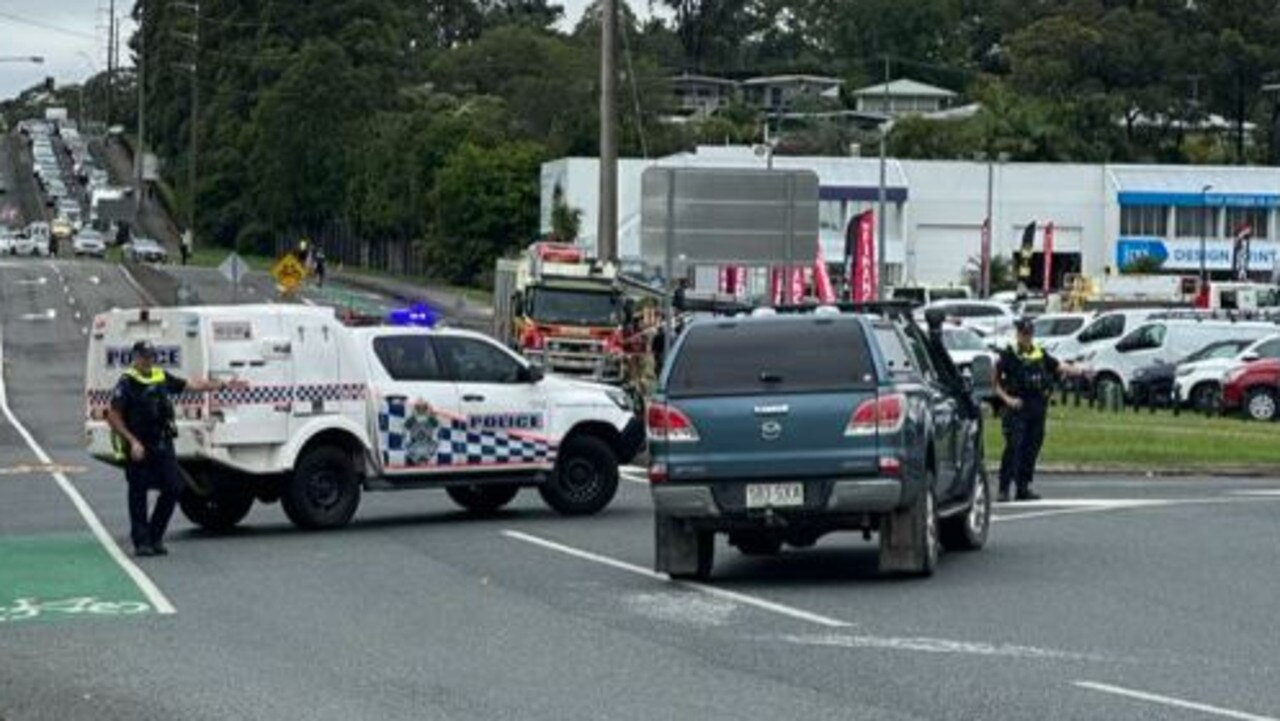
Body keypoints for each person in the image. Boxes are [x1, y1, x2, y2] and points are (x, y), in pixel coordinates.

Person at [105, 341, 234, 557]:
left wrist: (218, 385)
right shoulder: (126, 383)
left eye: (151, 356)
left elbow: (190, 385)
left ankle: (155, 535)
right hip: (139, 446)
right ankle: (141, 541)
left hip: (162, 443)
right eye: (144, 357)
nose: (148, 361)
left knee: (174, 486)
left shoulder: (160, 376)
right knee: (138, 493)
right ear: (135, 358)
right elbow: (114, 416)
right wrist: (132, 441)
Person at [993, 317, 1081, 503]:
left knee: (1032, 447)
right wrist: (1008, 399)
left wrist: (1080, 371)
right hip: (1017, 406)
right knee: (1013, 446)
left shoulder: (1039, 353)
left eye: (1029, 334)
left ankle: (1023, 487)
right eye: (1024, 334)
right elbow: (995, 383)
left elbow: (1058, 367)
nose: (1027, 338)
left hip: (1037, 406)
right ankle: (1003, 488)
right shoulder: (1009, 355)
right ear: (1017, 334)